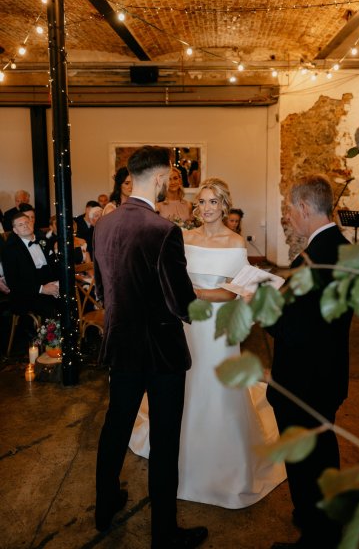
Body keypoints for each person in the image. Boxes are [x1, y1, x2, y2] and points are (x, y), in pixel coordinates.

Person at [130, 177, 286, 508]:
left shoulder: (235, 242)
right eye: (201, 202)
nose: (207, 208)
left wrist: (197, 292)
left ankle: (221, 461)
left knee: (216, 382)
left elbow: (235, 289)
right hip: (186, 324)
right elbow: (170, 277)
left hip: (217, 326)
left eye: (213, 201)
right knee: (184, 381)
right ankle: (179, 451)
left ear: (224, 205)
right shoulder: (184, 237)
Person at [93, 146, 208, 549]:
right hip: (160, 353)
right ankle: (164, 532)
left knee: (115, 427)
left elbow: (103, 291)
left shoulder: (103, 226)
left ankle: (103, 507)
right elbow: (183, 302)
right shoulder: (162, 230)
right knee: (164, 439)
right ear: (161, 179)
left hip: (121, 346)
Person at [266, 174, 353, 549]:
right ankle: (319, 521)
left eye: (289, 208)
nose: (288, 216)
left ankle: (317, 538)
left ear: (304, 207)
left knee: (308, 463)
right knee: (321, 453)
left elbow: (298, 329)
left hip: (305, 381)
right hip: (326, 374)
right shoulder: (339, 247)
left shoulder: (319, 257)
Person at [2, 212, 60, 319]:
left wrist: (58, 283)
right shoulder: (10, 250)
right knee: (54, 311)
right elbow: (14, 283)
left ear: (32, 223)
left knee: (74, 298)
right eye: (20, 225)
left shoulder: (43, 240)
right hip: (29, 294)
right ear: (15, 231)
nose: (25, 225)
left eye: (27, 222)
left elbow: (55, 266)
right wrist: (42, 289)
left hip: (51, 286)